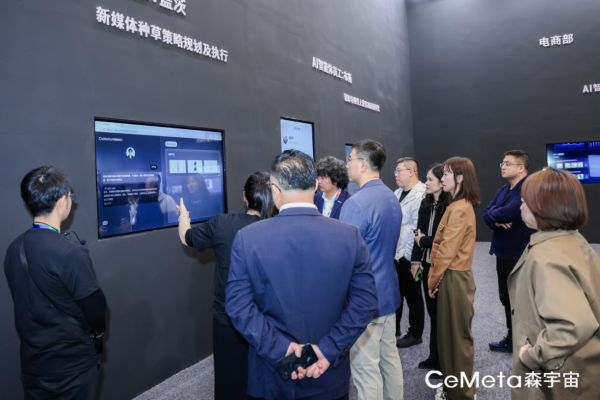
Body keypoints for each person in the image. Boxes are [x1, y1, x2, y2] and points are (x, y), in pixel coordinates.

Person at [226, 150, 378, 400]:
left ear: (274, 190)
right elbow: (365, 303)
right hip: (328, 376)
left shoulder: (248, 238)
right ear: (315, 185)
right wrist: (327, 349)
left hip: (271, 377)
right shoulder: (349, 236)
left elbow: (238, 306)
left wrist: (282, 350)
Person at [4, 166, 107, 400]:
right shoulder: (70, 253)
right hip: (71, 368)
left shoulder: (14, 248)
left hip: (33, 365)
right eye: (70, 196)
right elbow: (96, 311)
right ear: (62, 202)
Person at [177, 172, 276, 400]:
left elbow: (187, 237)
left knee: (228, 381)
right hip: (266, 321)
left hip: (228, 319)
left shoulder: (222, 224)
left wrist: (183, 216)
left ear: (244, 197)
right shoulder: (279, 228)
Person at [509, 168, 600, 400]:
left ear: (544, 206)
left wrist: (531, 355)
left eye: (525, 200)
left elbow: (570, 327)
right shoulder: (573, 240)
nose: (521, 205)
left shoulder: (547, 257)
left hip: (556, 381)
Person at [339, 140, 404, 400]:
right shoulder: (391, 197)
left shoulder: (355, 204)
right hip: (388, 293)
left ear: (363, 164)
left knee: (366, 370)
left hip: (364, 298)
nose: (347, 165)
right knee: (390, 361)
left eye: (350, 159)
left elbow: (345, 257)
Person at [428, 157, 479, 400]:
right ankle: (453, 389)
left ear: (460, 178)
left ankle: (463, 394)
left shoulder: (460, 208)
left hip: (454, 278)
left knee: (457, 340)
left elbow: (446, 250)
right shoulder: (456, 205)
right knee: (448, 338)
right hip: (450, 276)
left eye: (447, 174)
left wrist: (432, 280)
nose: (443, 178)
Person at [484, 150, 535, 353]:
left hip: (520, 254)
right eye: (502, 163)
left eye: (507, 163)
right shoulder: (503, 189)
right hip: (502, 252)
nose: (502, 166)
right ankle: (512, 337)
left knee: (521, 300)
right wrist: (495, 219)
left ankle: (525, 340)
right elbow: (486, 212)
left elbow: (510, 211)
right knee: (506, 297)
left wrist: (495, 216)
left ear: (521, 168)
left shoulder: (528, 188)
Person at [410, 164, 451, 370]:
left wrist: (424, 240)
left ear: (441, 183)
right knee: (433, 314)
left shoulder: (451, 206)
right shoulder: (425, 203)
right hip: (426, 265)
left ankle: (444, 361)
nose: (426, 183)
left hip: (443, 266)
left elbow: (444, 240)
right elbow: (417, 233)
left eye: (430, 179)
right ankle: (434, 357)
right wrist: (415, 260)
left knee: (443, 317)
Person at [393, 157, 427, 349]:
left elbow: (417, 228)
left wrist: (413, 259)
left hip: (411, 254)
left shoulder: (421, 194)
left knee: (413, 294)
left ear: (412, 171)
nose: (396, 174)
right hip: (396, 252)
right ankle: (394, 328)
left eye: (399, 170)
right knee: (396, 291)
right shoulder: (397, 192)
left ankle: (415, 333)